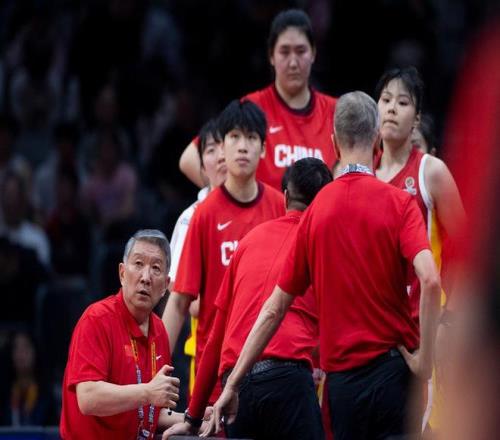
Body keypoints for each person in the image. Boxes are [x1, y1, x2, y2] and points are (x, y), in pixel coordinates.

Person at [211, 91, 441, 440]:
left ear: (333, 143)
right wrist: (425, 361)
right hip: (394, 377)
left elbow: (273, 309)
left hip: (343, 388)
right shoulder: (400, 204)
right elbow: (431, 280)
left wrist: (234, 383)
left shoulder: (316, 213)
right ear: (376, 140)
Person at [163, 157, 332, 440]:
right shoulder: (322, 243)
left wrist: (193, 417)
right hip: (287, 380)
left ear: (285, 197)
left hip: (237, 389)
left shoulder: (248, 241)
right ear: (324, 204)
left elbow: (217, 337)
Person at [162, 99, 284, 404]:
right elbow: (179, 301)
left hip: (273, 367)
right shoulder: (203, 215)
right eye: (234, 137)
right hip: (215, 372)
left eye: (251, 138)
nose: (242, 147)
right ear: (223, 148)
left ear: (264, 149)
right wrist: (155, 367)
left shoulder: (280, 207)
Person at [374, 67, 466, 434]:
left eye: (402, 102)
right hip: (373, 334)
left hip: (421, 333)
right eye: (385, 100)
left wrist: (448, 320)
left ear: (416, 119)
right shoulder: (362, 173)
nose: (391, 108)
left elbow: (467, 251)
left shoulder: (432, 172)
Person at [179, 9, 337, 191]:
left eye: (301, 51)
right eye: (284, 52)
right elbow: (189, 159)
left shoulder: (337, 112)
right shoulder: (252, 108)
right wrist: (228, 200)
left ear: (313, 53)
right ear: (271, 55)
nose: (293, 63)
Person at [60, 229, 186, 439]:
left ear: (165, 285)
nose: (145, 277)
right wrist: (147, 392)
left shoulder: (160, 331)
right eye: (138, 264)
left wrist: (193, 418)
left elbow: (151, 413)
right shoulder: (97, 319)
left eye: (156, 268)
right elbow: (88, 398)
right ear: (122, 273)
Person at [168, 117, 226, 400]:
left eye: (223, 146)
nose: (221, 156)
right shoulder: (190, 218)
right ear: (202, 167)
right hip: (207, 357)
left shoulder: (267, 208)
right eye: (211, 150)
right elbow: (182, 299)